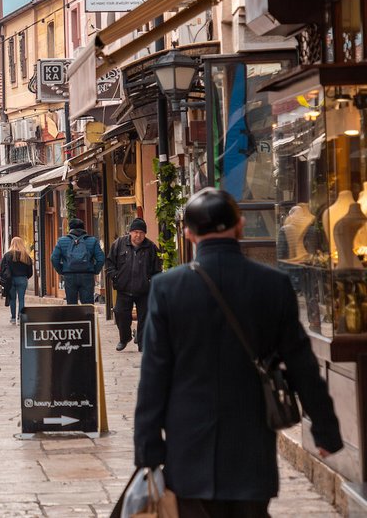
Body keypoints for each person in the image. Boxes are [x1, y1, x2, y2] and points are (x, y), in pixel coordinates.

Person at [134, 188, 342, 517]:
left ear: (188, 234)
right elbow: (302, 362)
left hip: (189, 447)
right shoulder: (273, 285)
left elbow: (154, 375)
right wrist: (325, 428)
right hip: (250, 444)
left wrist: (147, 446)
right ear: (241, 226)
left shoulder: (167, 288)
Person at [106, 218, 162, 352]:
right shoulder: (119, 244)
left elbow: (157, 270)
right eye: (135, 232)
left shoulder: (151, 247)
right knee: (120, 313)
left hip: (144, 290)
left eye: (142, 232)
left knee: (145, 317)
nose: (138, 235)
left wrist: (152, 283)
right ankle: (124, 338)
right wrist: (115, 277)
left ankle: (142, 342)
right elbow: (109, 264)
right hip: (124, 288)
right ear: (130, 232)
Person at [50, 217, 105, 304]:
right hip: (87, 275)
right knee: (88, 305)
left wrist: (62, 271)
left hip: (69, 275)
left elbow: (54, 258)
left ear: (70, 228)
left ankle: (74, 317)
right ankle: (88, 317)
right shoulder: (92, 241)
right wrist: (95, 271)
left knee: (72, 305)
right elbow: (101, 259)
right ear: (83, 228)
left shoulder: (62, 241)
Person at [0, 236, 34, 324]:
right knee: (21, 299)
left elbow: (2, 268)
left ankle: (13, 318)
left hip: (10, 280)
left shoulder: (7, 255)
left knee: (12, 299)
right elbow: (30, 271)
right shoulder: (26, 256)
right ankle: (20, 318)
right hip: (22, 279)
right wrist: (26, 277)